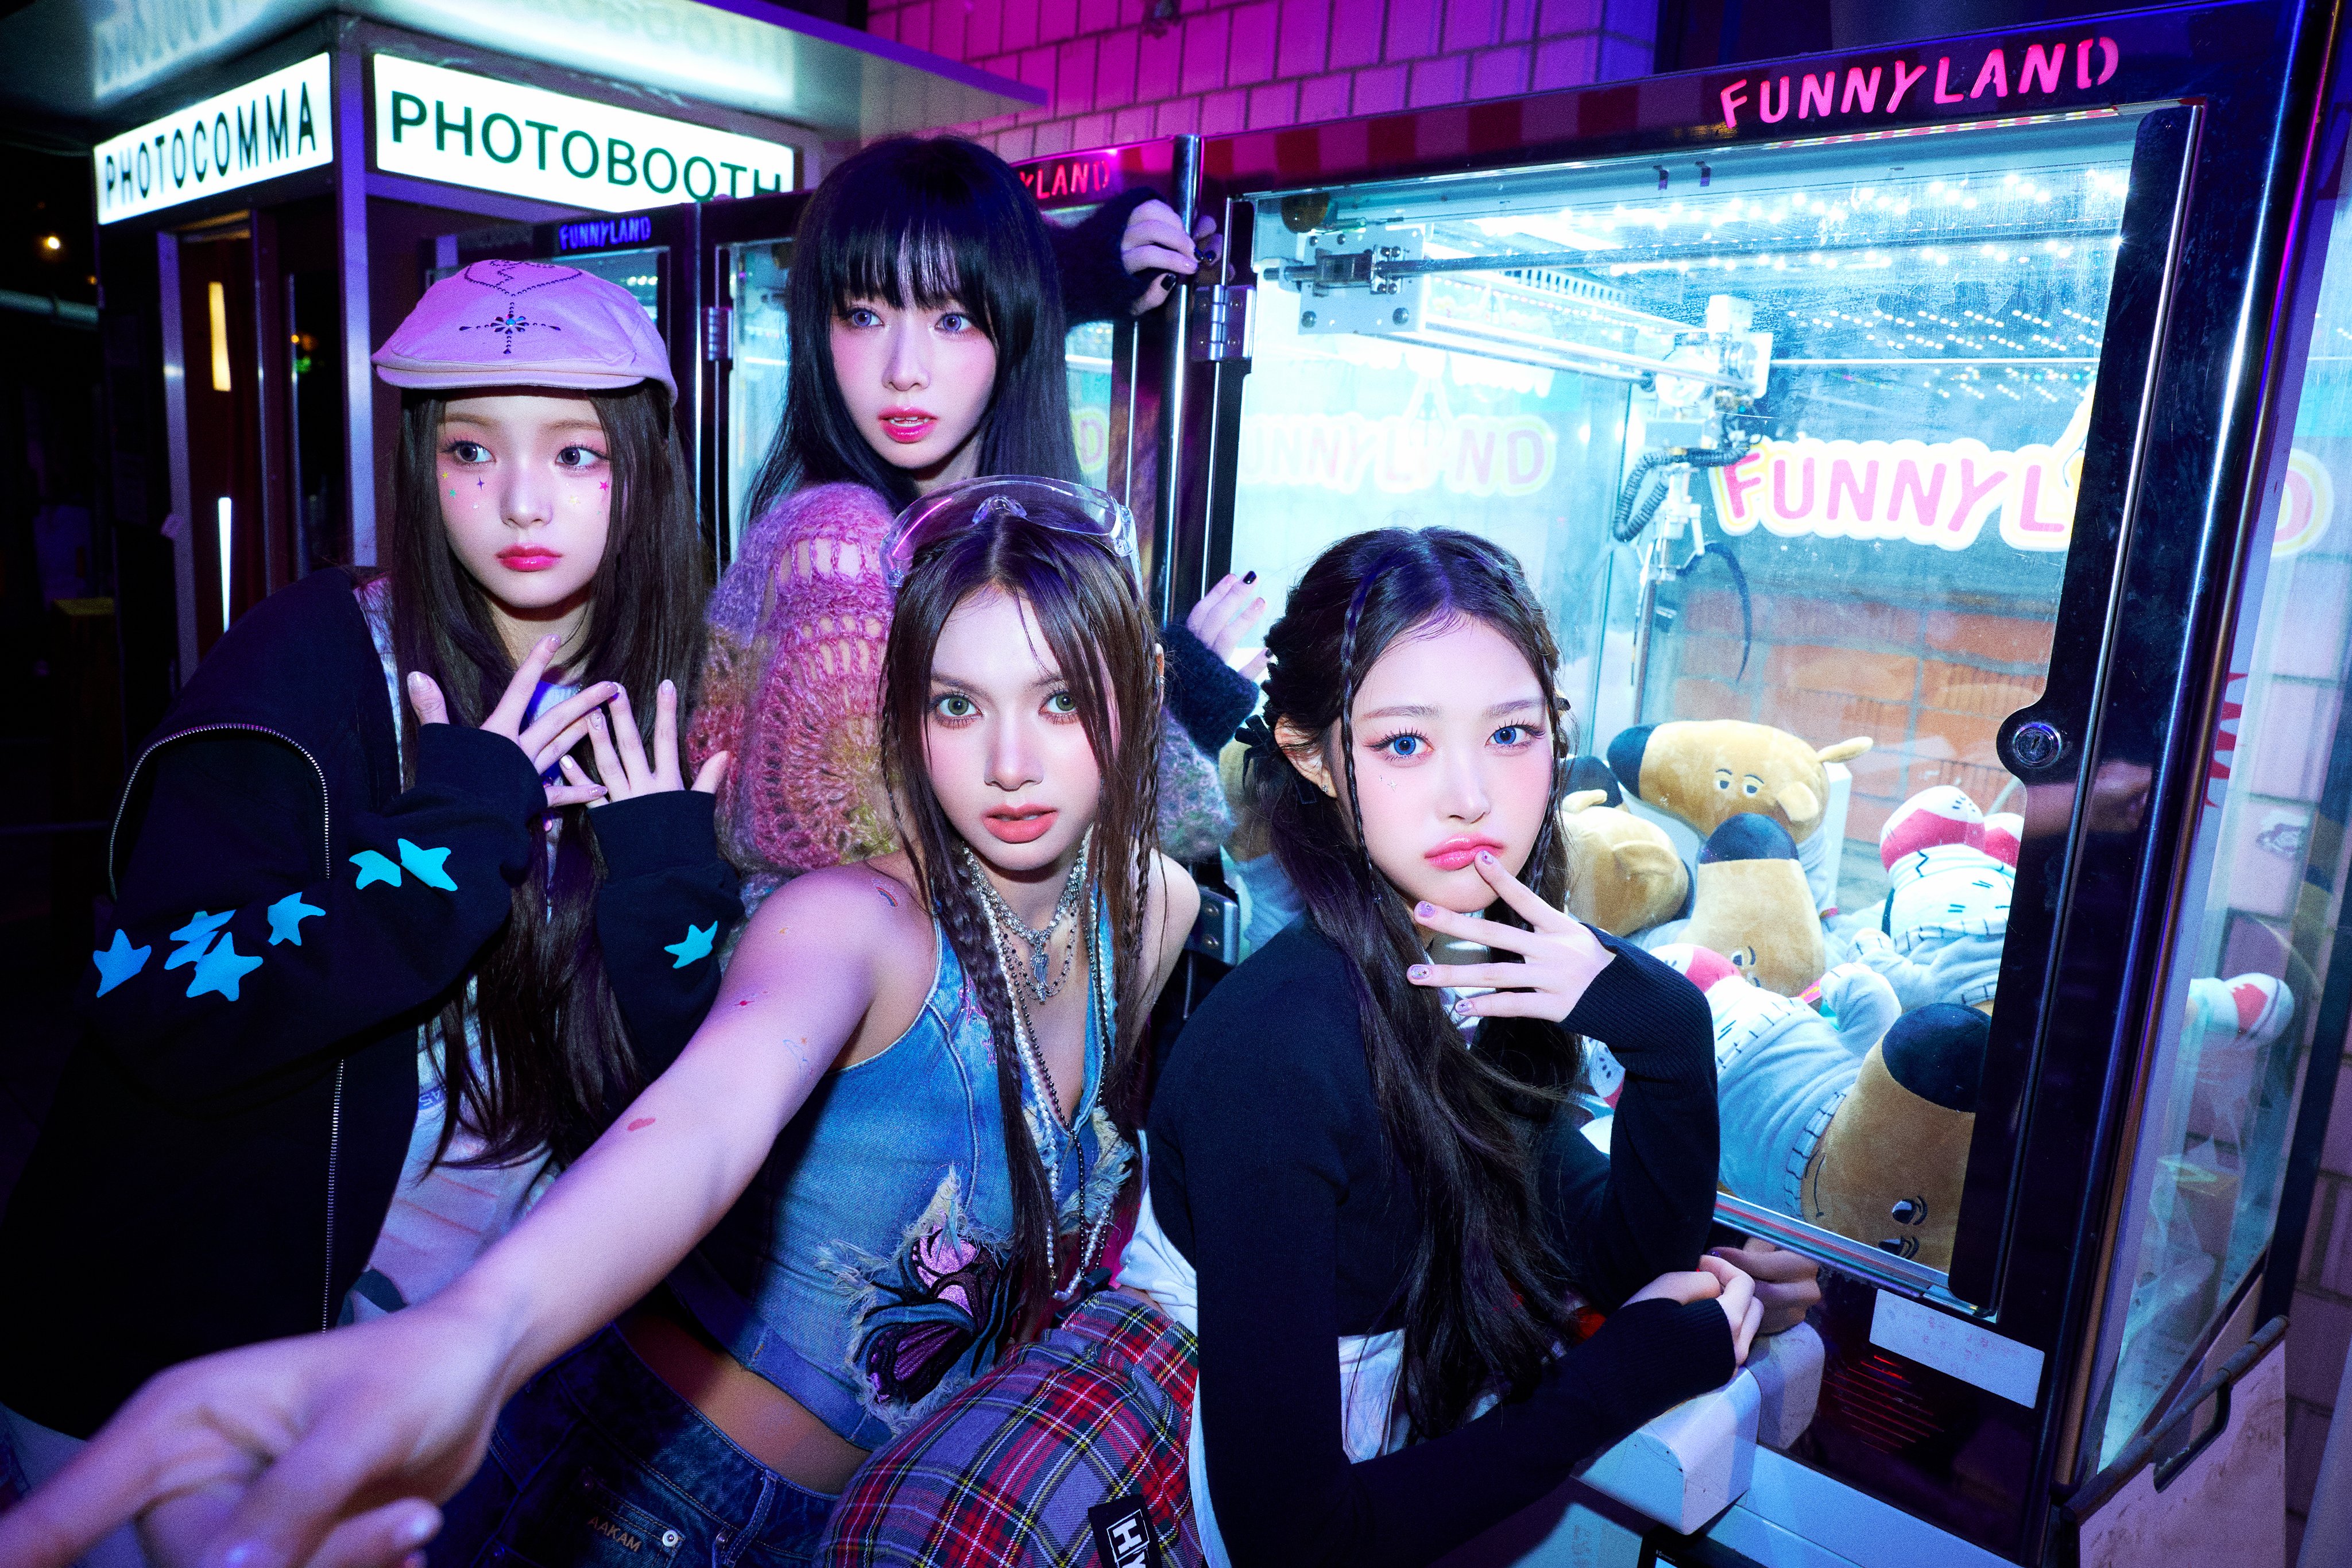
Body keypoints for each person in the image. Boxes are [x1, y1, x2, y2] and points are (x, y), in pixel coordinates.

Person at [0, 485, 1199, 1568]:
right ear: (903, 718)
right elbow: (705, 1122)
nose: (1008, 761)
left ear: (1136, 689)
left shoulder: (1155, 914)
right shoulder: (855, 922)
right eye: (955, 704)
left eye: (1060, 700)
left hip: (869, 1520)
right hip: (644, 1496)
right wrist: (480, 1329)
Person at [0, 261, 740, 1566]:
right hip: (178, 1372)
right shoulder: (317, 657)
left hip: (437, 1383)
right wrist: (448, 840)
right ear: (419, 465)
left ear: (644, 472)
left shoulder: (665, 702)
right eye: (471, 451)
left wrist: (668, 877)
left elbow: (680, 1094)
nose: (521, 501)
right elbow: (154, 989)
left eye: (575, 453)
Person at [1123, 526, 1767, 1568]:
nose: (1470, 793)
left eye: (1510, 734)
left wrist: (1664, 1026)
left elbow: (1623, 1258)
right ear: (1313, 758)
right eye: (1405, 744)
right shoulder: (1279, 1055)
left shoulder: (1459, 970)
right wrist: (1615, 1383)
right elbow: (1295, 1541)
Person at [687, 135, 1260, 890]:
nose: (903, 371)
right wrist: (1177, 704)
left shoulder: (958, 530)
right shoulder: (839, 543)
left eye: (952, 320)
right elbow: (925, 878)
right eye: (862, 315)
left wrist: (1070, 276)